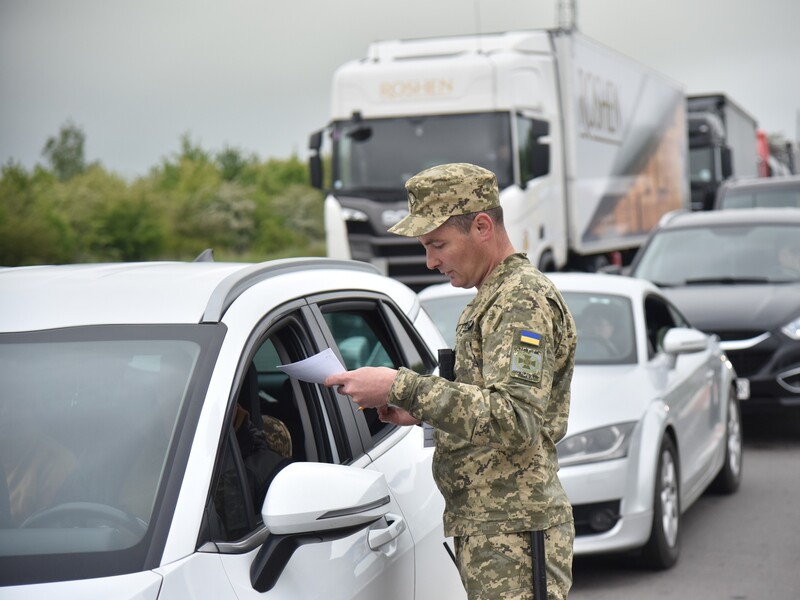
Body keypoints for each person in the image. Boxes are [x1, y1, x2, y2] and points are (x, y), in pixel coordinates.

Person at [325, 163, 577, 600]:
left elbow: (516, 419)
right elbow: (485, 402)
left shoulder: (520, 300)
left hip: (515, 533)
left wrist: (401, 386)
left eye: (438, 244)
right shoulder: (493, 297)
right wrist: (420, 411)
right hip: (496, 528)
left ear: (482, 227)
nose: (430, 261)